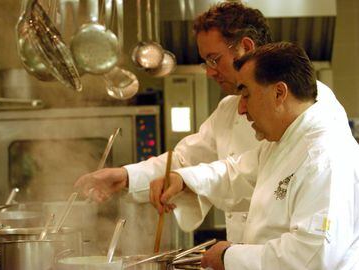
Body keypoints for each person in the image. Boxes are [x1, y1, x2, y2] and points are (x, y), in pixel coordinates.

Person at [74, 2, 347, 242]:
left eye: (214, 59)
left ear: (246, 47)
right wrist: (125, 177)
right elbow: (189, 163)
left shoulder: (309, 107)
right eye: (205, 62)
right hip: (246, 253)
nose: (209, 72)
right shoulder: (229, 109)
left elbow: (315, 244)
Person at [149, 42, 359, 270]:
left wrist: (229, 256)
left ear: (279, 93)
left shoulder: (323, 158)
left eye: (246, 94)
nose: (241, 109)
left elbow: (313, 257)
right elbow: (235, 172)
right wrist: (184, 180)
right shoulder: (284, 140)